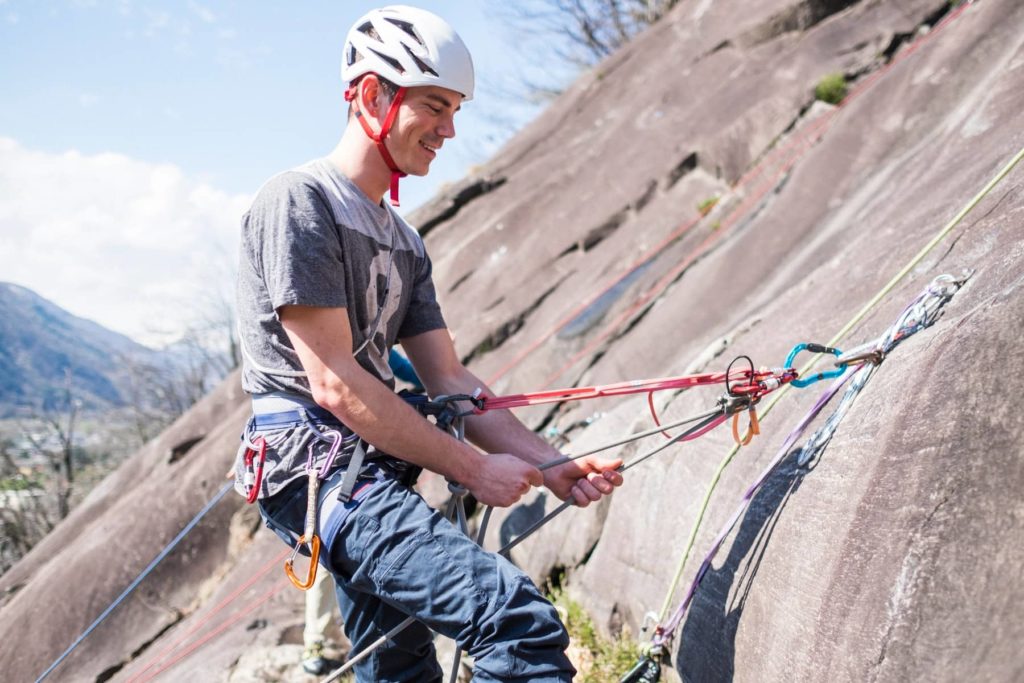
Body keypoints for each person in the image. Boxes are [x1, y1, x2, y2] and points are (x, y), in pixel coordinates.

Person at [233, 6, 623, 682]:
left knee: (400, 667)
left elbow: (451, 380)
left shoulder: (405, 242)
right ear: (371, 95)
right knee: (517, 624)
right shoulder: (299, 204)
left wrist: (551, 463)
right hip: (317, 468)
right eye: (435, 107)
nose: (449, 130)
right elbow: (332, 383)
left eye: (455, 111)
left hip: (369, 468)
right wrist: (473, 469)